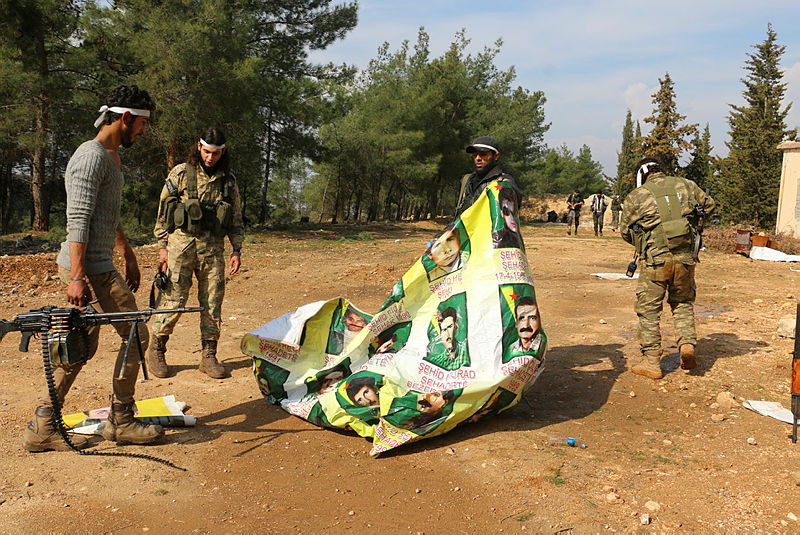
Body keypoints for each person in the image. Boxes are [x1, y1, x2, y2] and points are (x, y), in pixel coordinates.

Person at [23, 85, 163, 452]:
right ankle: (121, 420)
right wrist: (76, 277)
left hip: (99, 264)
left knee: (81, 345)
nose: (144, 133)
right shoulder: (91, 156)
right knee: (136, 335)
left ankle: (43, 424)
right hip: (90, 270)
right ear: (127, 118)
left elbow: (106, 213)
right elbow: (78, 220)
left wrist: (127, 250)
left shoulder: (111, 156)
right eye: (142, 125)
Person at [148, 127, 244, 379]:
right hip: (181, 247)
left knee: (212, 303)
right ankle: (156, 348)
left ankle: (208, 355)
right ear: (198, 148)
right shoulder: (181, 173)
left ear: (223, 152)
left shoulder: (228, 180)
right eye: (206, 152)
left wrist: (237, 249)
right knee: (174, 300)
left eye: (216, 153)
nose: (210, 158)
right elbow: (163, 211)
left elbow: (235, 218)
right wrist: (162, 248)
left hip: (213, 250)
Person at [620, 157, 715, 379]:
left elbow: (625, 231)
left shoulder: (637, 195)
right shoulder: (687, 185)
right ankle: (686, 346)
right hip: (685, 260)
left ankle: (652, 361)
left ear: (642, 175)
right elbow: (709, 206)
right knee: (682, 303)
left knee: (649, 311)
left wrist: (644, 241)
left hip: (655, 262)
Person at [455, 136, 521, 217]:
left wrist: (506, 188)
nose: (478, 158)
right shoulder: (467, 180)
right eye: (475, 155)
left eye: (483, 154)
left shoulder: (503, 181)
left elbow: (515, 200)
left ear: (496, 156)